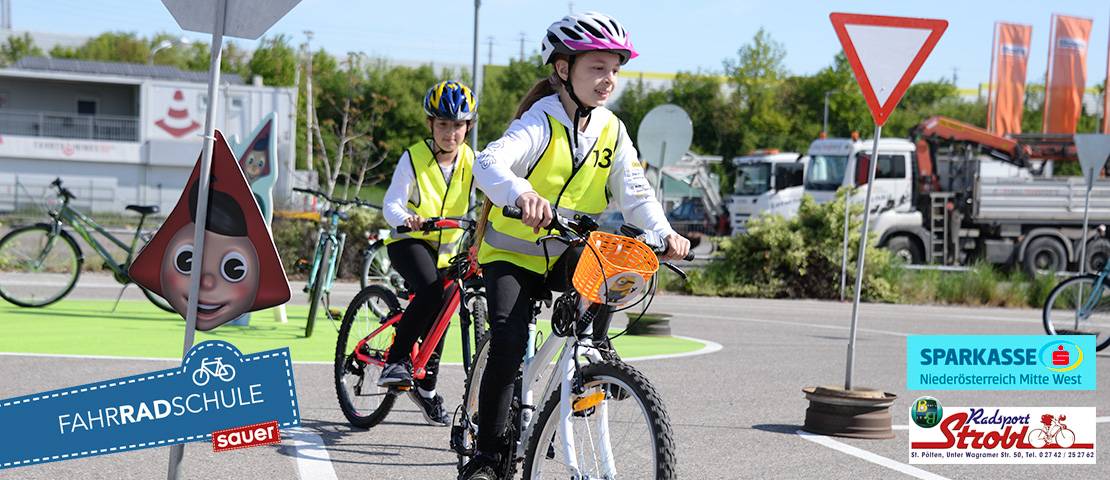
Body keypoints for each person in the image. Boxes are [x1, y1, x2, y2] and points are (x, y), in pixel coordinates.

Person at [459, 11, 690, 479]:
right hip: (512, 255)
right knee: (507, 342)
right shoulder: (539, 121)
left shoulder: (611, 129)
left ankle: (593, 356)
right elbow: (487, 162)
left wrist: (663, 231)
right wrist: (519, 193)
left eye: (615, 69)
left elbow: (636, 191)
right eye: (597, 67)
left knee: (614, 264)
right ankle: (485, 456)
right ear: (564, 69)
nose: (609, 80)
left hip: (566, 248)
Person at [377, 80, 478, 426]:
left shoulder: (472, 160)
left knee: (445, 312)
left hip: (447, 252)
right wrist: (406, 219)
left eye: (458, 125)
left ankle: (428, 389)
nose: (451, 133)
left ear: (468, 126)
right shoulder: (414, 157)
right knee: (432, 290)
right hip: (410, 241)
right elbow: (391, 202)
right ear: (430, 124)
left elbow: (494, 194)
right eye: (443, 124)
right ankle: (397, 358)